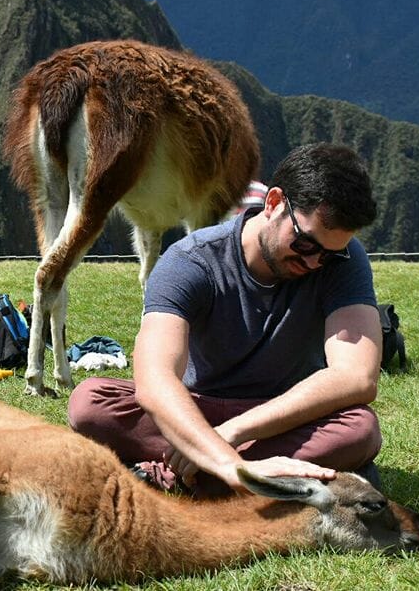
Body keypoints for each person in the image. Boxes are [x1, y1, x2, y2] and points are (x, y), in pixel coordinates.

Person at [68, 142, 383, 496]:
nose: (313, 263)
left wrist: (233, 432)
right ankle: (249, 476)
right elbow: (155, 379)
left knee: (359, 428)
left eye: (329, 256)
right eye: (306, 244)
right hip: (193, 407)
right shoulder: (191, 261)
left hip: (283, 415)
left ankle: (171, 473)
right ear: (275, 202)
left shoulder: (346, 262)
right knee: (91, 403)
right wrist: (224, 455)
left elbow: (356, 377)